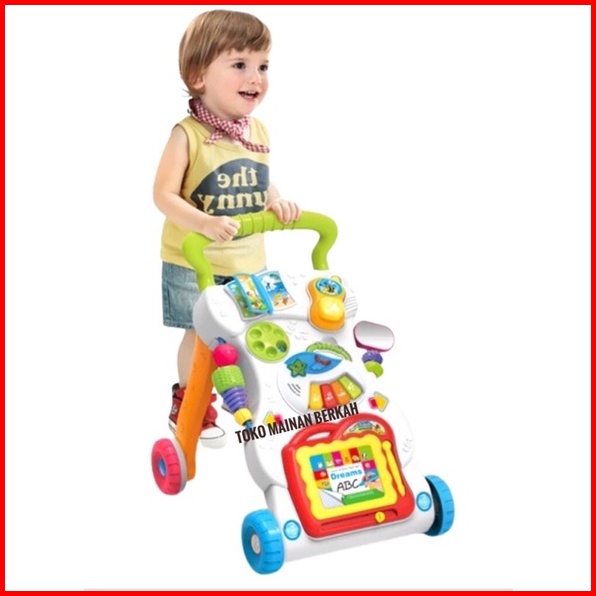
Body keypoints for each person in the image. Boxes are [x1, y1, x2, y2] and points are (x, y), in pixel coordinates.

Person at [153, 9, 300, 447]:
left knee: (251, 331)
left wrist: (276, 200)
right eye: (240, 64)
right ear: (198, 76)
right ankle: (191, 404)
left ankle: (253, 398)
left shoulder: (256, 131)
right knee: (200, 334)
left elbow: (256, 176)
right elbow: (163, 194)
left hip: (246, 258)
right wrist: (204, 223)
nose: (255, 77)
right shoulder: (188, 135)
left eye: (263, 66)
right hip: (193, 260)